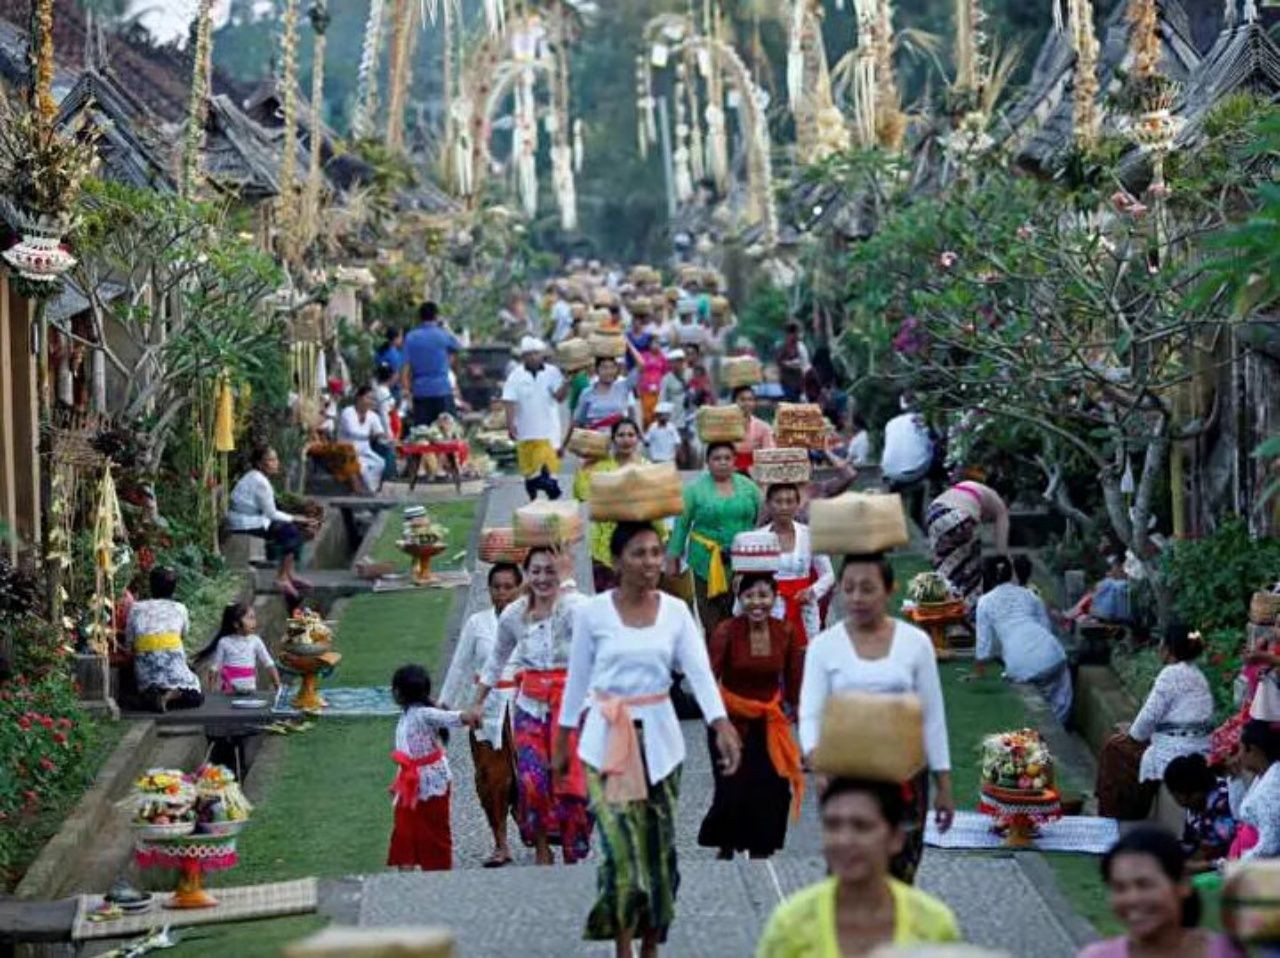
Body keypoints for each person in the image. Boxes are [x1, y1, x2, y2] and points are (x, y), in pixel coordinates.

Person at [556, 521, 742, 955]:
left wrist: (722, 724)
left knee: (658, 854)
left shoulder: (676, 612)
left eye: (656, 552)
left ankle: (651, 945)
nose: (650, 563)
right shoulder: (593, 613)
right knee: (620, 854)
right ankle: (623, 945)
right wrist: (563, 739)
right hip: (607, 741)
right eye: (639, 554)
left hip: (659, 742)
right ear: (618, 561)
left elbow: (699, 671)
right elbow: (577, 678)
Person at [799, 555, 955, 884]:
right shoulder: (825, 647)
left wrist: (943, 785)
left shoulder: (916, 644)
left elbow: (933, 714)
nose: (857, 598)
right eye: (849, 588)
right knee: (848, 869)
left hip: (906, 774)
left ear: (889, 591)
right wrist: (817, 760)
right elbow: (810, 711)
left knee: (900, 870)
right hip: (846, 774)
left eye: (868, 589)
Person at [472, 547, 592, 865]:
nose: (542, 578)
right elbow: (496, 660)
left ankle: (571, 844)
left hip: (571, 707)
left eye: (550, 571)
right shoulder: (515, 614)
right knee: (532, 782)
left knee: (569, 783)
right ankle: (541, 848)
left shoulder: (576, 608)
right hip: (530, 706)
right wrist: (478, 701)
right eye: (535, 571)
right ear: (527, 574)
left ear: (562, 573)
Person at [756, 777, 961, 956]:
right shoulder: (790, 926)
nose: (844, 840)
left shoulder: (934, 927)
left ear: (896, 838)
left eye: (862, 826)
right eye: (833, 825)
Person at [698, 573, 804, 860]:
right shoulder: (726, 631)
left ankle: (762, 845)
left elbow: (794, 679)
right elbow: (709, 677)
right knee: (732, 787)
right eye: (750, 597)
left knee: (772, 787)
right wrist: (716, 719)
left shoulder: (786, 632)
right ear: (740, 599)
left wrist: (797, 713)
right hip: (731, 720)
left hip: (768, 721)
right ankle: (726, 842)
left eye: (763, 596)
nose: (757, 603)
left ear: (774, 598)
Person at [438, 562, 524, 868]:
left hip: (524, 707)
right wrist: (444, 707)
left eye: (508, 587)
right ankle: (500, 842)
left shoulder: (532, 620)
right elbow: (461, 665)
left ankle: (537, 836)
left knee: (527, 777)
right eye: (496, 587)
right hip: (486, 712)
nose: (501, 593)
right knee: (492, 780)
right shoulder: (477, 623)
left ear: (520, 589)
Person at [1096, 624, 1214, 820]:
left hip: (1176, 751)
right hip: (1196, 746)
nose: (1159, 648)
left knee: (1114, 749)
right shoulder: (1198, 675)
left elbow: (1148, 718)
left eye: (1161, 643)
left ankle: (1113, 817)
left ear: (1168, 649)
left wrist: (1133, 732)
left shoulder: (1170, 674)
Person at [1079, 826, 1243, 958]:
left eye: (1145, 885)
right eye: (1119, 888)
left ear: (1183, 884)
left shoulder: (1229, 953)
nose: (1132, 898)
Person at [668, 441, 764, 638]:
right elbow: (681, 525)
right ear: (708, 462)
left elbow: (762, 518)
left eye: (727, 458)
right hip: (706, 560)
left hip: (744, 562)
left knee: (742, 613)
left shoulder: (749, 487)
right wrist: (673, 558)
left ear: (735, 461)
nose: (722, 463)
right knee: (712, 618)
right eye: (717, 458)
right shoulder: (694, 490)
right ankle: (714, 659)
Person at [387, 663, 475, 872]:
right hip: (409, 783)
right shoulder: (408, 714)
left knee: (434, 831)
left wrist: (471, 715)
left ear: (399, 693)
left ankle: (436, 875)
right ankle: (407, 874)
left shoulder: (424, 713)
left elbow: (452, 718)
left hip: (431, 782)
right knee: (404, 831)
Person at [972, 556, 1072, 724]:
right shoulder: (1030, 595)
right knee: (1059, 695)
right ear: (1010, 573)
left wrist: (979, 672)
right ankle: (1060, 729)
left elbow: (984, 647)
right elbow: (1045, 627)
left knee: (1034, 706)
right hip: (1052, 653)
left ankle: (1042, 739)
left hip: (1022, 664)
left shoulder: (984, 602)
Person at [225, 446, 317, 600]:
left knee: (294, 529)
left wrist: (296, 519)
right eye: (271, 460)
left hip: (252, 518)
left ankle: (289, 574)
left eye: (276, 459)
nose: (276, 463)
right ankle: (281, 578)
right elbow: (272, 514)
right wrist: (297, 518)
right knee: (290, 531)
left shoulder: (257, 478)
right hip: (244, 522)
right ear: (260, 464)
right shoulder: (259, 481)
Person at [573, 418, 647, 594]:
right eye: (621, 435)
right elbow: (582, 494)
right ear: (613, 440)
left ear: (638, 439)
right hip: (603, 547)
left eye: (631, 435)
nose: (626, 439)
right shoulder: (599, 466)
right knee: (606, 601)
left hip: (636, 543)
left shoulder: (646, 468)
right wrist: (585, 467)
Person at [758, 483, 836, 647]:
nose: (784, 507)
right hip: (769, 607)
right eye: (778, 502)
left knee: (805, 656)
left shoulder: (810, 535)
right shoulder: (758, 537)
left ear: (797, 504)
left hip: (803, 607)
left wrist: (812, 592)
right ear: (768, 505)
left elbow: (829, 575)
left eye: (789, 501)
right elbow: (749, 577)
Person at [126, 567, 204, 713]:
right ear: (174, 588)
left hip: (145, 670)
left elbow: (129, 641)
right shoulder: (180, 609)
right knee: (196, 696)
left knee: (134, 689)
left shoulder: (136, 608)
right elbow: (182, 634)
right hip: (173, 665)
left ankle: (153, 695)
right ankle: (170, 695)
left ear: (150, 585)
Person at [502, 337, 569, 502]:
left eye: (536, 354)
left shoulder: (552, 372)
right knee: (531, 473)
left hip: (549, 430)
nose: (533, 357)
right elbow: (509, 400)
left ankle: (552, 498)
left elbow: (559, 398)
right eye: (528, 354)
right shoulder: (516, 376)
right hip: (526, 430)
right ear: (523, 357)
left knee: (549, 472)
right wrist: (510, 424)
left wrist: (567, 383)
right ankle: (533, 500)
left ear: (542, 355)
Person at [925, 480, 1009, 611]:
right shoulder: (998, 502)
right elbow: (1002, 526)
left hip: (934, 513)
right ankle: (970, 611)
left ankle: (942, 604)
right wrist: (1002, 556)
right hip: (958, 517)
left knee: (945, 565)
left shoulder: (970, 486)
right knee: (972, 569)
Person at [1162, 753, 1237, 872]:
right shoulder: (1195, 806)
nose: (1176, 799)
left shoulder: (1221, 805)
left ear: (1184, 794)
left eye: (1174, 794)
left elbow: (1214, 851)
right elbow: (1190, 842)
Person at [193, 602, 281, 695]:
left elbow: (269, 664)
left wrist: (278, 687)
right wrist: (211, 693)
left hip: (250, 693)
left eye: (254, 618)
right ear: (236, 624)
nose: (254, 622)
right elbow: (215, 669)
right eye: (250, 618)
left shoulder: (256, 641)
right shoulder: (224, 642)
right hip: (228, 693)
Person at [402, 302, 461, 428]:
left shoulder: (411, 337)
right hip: (442, 390)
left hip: (420, 391)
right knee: (447, 433)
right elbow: (458, 345)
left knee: (423, 434)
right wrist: (445, 326)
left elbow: (405, 368)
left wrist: (407, 391)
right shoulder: (443, 335)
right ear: (436, 316)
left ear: (419, 317)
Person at [880, 397, 934, 523]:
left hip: (891, 472)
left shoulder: (891, 423)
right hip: (917, 472)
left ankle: (894, 502)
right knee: (934, 451)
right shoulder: (923, 420)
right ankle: (921, 508)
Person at [1236, 719, 1280, 860]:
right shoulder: (1265, 776)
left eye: (1240, 749)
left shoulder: (1269, 790)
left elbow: (1270, 846)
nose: (1238, 756)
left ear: (1252, 749)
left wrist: (1239, 864)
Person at [338, 385, 390, 493]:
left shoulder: (373, 415)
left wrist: (383, 436)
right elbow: (353, 432)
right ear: (359, 398)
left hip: (365, 450)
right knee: (363, 468)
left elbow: (379, 431)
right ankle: (367, 491)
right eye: (368, 398)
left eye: (373, 399)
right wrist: (372, 436)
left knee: (381, 463)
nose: (371, 401)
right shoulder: (347, 412)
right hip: (347, 450)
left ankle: (372, 489)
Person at [573, 356, 635, 434]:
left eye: (612, 367)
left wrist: (629, 344)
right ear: (597, 370)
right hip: (595, 440)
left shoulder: (622, 387)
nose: (609, 371)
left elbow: (641, 366)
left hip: (618, 440)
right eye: (604, 368)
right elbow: (579, 421)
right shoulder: (587, 393)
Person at [732, 385, 776, 474]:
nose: (747, 403)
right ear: (733, 402)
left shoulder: (764, 427)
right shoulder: (724, 426)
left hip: (755, 475)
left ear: (755, 403)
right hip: (729, 473)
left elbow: (770, 454)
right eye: (742, 400)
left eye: (750, 400)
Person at [631, 336, 670, 428]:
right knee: (646, 415)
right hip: (645, 388)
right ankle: (646, 434)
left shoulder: (663, 358)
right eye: (654, 343)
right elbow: (638, 372)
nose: (656, 345)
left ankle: (655, 432)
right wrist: (636, 387)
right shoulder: (644, 356)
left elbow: (665, 373)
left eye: (658, 343)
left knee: (656, 413)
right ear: (649, 344)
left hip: (658, 389)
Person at [776, 321, 811, 402]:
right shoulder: (783, 346)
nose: (800, 334)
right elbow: (779, 362)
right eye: (799, 331)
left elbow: (805, 363)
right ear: (792, 333)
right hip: (788, 382)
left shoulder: (800, 346)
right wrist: (788, 364)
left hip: (799, 382)